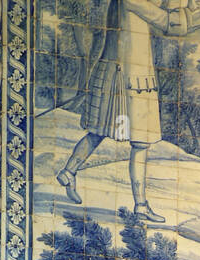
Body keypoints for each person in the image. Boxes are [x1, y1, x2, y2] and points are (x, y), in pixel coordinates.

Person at [56, 0, 187, 223]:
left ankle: (68, 172)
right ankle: (141, 206)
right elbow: (169, 22)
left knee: (98, 132)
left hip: (117, 74)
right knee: (140, 143)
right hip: (131, 79)